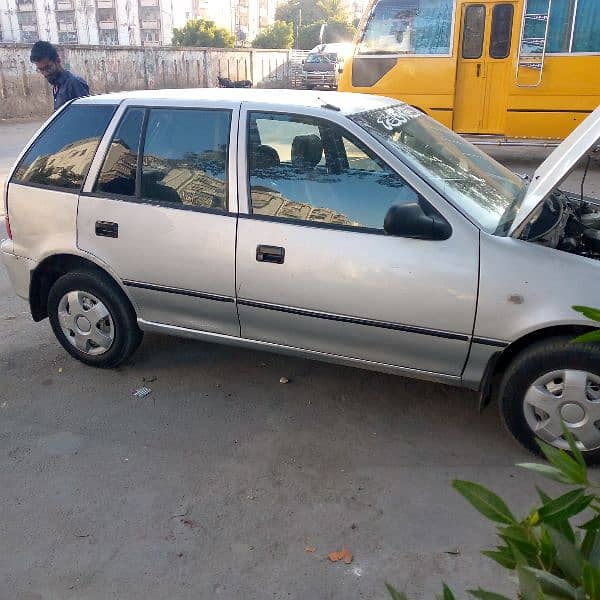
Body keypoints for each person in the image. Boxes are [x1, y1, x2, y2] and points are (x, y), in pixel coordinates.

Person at [30, 41, 89, 111]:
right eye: (41, 70)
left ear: (58, 60)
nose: (45, 73)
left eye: (48, 68)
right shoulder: (57, 86)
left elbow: (86, 114)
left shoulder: (74, 84)